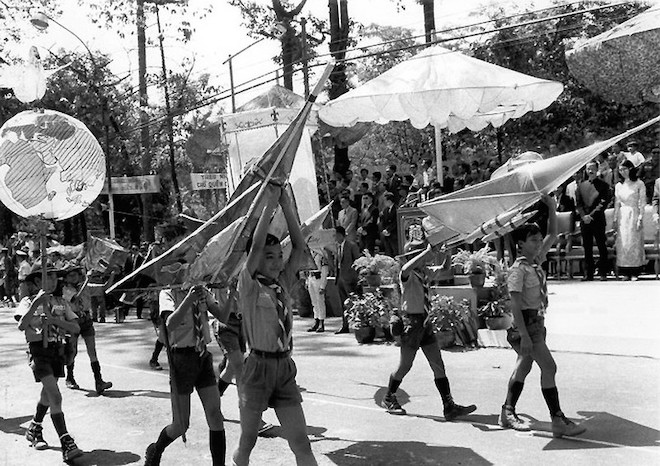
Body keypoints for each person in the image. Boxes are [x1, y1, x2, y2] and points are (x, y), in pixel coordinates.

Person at [232, 186, 317, 466]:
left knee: (301, 442)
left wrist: (285, 204)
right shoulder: (249, 286)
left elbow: (300, 245)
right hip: (257, 368)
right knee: (248, 441)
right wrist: (268, 204)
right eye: (270, 257)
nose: (278, 261)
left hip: (284, 368)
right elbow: (255, 247)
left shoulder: (282, 284)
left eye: (279, 256)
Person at [499, 195, 587, 438]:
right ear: (520, 243)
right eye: (533, 240)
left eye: (539, 240)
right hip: (526, 325)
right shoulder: (518, 270)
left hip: (537, 322)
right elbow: (515, 306)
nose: (539, 243)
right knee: (549, 366)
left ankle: (507, 411)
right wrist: (525, 336)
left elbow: (553, 235)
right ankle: (557, 419)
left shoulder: (534, 261)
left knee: (524, 367)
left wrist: (551, 207)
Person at [382, 241, 477, 421]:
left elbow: (445, 268)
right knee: (405, 365)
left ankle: (448, 405)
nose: (426, 259)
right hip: (412, 323)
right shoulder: (407, 274)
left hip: (424, 322)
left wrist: (447, 253)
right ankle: (389, 397)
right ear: (412, 257)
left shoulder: (424, 272)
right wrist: (427, 252)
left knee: (438, 364)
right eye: (421, 256)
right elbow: (405, 269)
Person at [144, 285, 228, 465]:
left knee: (215, 415)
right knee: (180, 425)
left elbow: (224, 316)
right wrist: (189, 299)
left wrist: (232, 293)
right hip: (181, 360)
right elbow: (170, 324)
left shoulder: (202, 291)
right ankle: (155, 450)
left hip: (202, 356)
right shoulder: (167, 293)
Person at [18, 262, 83, 462]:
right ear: (37, 281)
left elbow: (75, 328)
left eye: (56, 277)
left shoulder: (61, 302)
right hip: (39, 353)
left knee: (47, 394)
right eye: (50, 277)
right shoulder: (28, 301)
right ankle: (66, 442)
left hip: (57, 351)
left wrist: (55, 321)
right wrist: (37, 303)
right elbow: (22, 325)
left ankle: (35, 428)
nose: (55, 281)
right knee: (55, 395)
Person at [62, 264, 113, 394]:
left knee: (92, 351)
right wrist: (86, 281)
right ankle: (70, 377)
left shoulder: (85, 286)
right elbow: (75, 298)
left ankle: (99, 381)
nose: (75, 277)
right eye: (71, 275)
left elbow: (104, 288)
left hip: (86, 319)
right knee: (72, 351)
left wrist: (112, 275)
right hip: (73, 320)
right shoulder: (65, 289)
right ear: (66, 278)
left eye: (76, 274)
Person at [575, 162, 611, 281]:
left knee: (601, 246)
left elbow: (603, 203)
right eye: (588, 169)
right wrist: (584, 216)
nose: (590, 171)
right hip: (585, 221)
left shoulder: (604, 185)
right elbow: (579, 204)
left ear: (597, 170)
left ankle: (603, 273)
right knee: (587, 247)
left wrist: (591, 215)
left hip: (598, 219)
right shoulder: (581, 185)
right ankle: (588, 273)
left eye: (592, 169)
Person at [613, 160, 647, 280]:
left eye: (625, 169)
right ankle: (624, 271)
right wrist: (615, 218)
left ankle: (635, 271)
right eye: (620, 170)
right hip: (623, 215)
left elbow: (642, 202)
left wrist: (640, 217)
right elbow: (617, 203)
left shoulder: (639, 183)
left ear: (630, 169)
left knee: (634, 242)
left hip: (634, 213)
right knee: (623, 243)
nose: (623, 172)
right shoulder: (618, 185)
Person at [333, 226, 361, 334]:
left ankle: (357, 324)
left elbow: (357, 262)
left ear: (340, 235)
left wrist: (355, 276)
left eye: (336, 235)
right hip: (340, 278)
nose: (335, 237)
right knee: (343, 303)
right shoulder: (337, 246)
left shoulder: (351, 246)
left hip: (349, 278)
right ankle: (345, 325)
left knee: (353, 301)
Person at [306, 248, 329, 333]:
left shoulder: (321, 254)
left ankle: (321, 322)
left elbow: (324, 271)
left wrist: (323, 286)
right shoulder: (309, 253)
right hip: (311, 278)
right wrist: (307, 281)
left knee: (320, 301)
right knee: (314, 302)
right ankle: (316, 320)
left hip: (318, 278)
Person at [379, 192, 399, 257]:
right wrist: (384, 230)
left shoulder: (396, 209)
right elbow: (383, 221)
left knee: (395, 251)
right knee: (388, 252)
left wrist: (388, 230)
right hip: (386, 234)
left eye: (385, 200)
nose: (384, 202)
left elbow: (395, 222)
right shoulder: (385, 210)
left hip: (394, 234)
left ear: (389, 201)